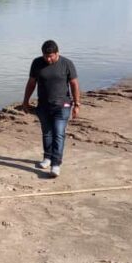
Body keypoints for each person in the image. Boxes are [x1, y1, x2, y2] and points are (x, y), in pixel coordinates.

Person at [22, 40, 80, 177]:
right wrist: (25, 101)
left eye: (51, 56)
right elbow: (31, 83)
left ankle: (55, 164)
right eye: (45, 56)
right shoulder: (37, 63)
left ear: (57, 53)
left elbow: (74, 84)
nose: (48, 59)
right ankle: (47, 158)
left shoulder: (67, 64)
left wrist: (77, 104)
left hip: (63, 106)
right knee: (47, 133)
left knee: (58, 134)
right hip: (43, 105)